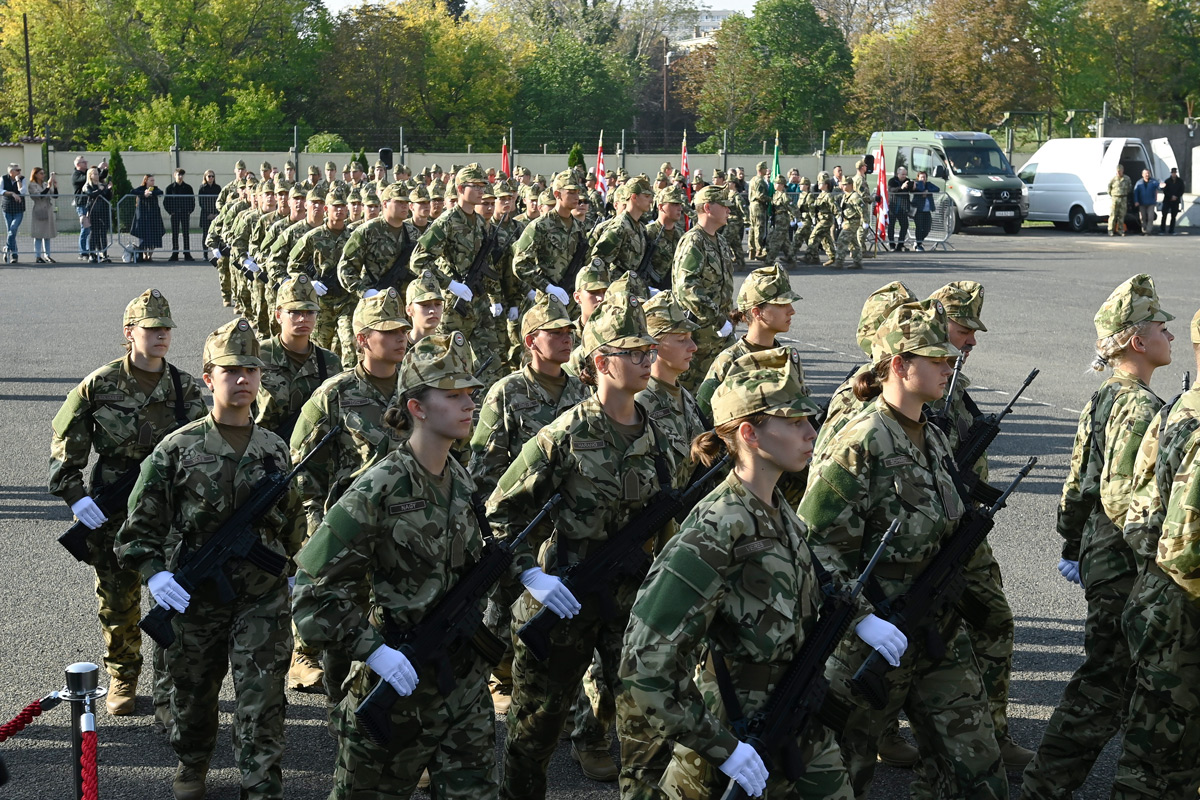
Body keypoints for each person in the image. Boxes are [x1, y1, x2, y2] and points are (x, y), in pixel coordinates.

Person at [619, 347, 853, 800]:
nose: (812, 431)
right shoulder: (716, 528)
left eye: (809, 419)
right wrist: (720, 748)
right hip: (735, 733)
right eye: (794, 421)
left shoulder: (780, 511)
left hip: (799, 715)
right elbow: (644, 659)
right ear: (749, 433)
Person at [799, 298, 1006, 799]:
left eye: (948, 357)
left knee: (977, 767)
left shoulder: (931, 436)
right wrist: (863, 619)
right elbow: (816, 546)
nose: (949, 366)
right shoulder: (861, 441)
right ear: (899, 364)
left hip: (938, 628)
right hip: (871, 639)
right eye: (936, 358)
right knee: (844, 775)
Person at [487, 290, 676, 800]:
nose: (647, 360)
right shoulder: (564, 434)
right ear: (602, 363)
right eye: (633, 353)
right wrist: (530, 575)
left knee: (647, 731)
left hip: (629, 604)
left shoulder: (656, 437)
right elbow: (500, 512)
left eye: (649, 350)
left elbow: (667, 521)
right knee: (534, 732)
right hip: (564, 597)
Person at [292, 332, 496, 799]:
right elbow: (311, 589)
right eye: (453, 395)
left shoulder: (459, 478)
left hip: (462, 684)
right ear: (417, 407)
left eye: (470, 393)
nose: (469, 404)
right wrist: (372, 649)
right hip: (398, 677)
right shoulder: (378, 487)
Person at [116, 317, 301, 800]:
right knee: (194, 693)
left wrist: (294, 572)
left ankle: (260, 782)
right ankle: (192, 763)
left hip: (261, 597)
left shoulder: (274, 449)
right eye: (230, 370)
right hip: (196, 595)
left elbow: (293, 522)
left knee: (263, 698)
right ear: (208, 378)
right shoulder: (177, 448)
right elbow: (138, 528)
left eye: (250, 370)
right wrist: (155, 575)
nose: (242, 380)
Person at [1020, 274, 1174, 800]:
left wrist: (1073, 543)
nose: (1169, 336)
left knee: (1109, 681)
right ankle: (1044, 787)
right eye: (1161, 327)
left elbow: (1076, 485)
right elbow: (1125, 500)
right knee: (1106, 686)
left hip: (1102, 554)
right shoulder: (1143, 408)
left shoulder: (1105, 396)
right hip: (1126, 563)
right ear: (1137, 341)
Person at [49, 288, 208, 729]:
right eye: (152, 328)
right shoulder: (99, 385)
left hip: (169, 510)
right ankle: (123, 675)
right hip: (113, 509)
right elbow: (65, 442)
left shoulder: (184, 388)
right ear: (130, 332)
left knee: (173, 597)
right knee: (118, 598)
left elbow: (201, 448)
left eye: (166, 329)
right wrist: (75, 495)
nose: (161, 336)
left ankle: (170, 688)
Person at [289, 288, 412, 703]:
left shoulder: (419, 390)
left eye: (403, 330)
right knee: (345, 629)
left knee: (404, 627)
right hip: (352, 532)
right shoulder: (335, 395)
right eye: (388, 331)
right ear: (362, 339)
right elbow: (303, 469)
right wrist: (316, 528)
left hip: (410, 528)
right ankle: (342, 715)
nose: (400, 337)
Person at [468, 292, 588, 715]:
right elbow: (485, 468)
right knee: (502, 611)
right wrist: (495, 529)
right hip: (519, 523)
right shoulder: (507, 392)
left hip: (565, 526)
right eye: (554, 332)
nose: (565, 338)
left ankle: (551, 695)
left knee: (559, 615)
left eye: (568, 331)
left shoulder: (581, 391)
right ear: (531, 341)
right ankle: (495, 678)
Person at [1109, 307, 1200, 799]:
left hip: (1158, 596)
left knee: (1160, 756)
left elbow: (1138, 518)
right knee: (1158, 763)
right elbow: (1184, 550)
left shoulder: (1174, 411)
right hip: (1183, 612)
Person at [695, 264, 802, 421]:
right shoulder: (730, 361)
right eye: (782, 304)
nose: (791, 310)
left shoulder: (787, 357)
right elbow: (702, 419)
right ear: (757, 312)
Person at [672, 184, 736, 392]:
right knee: (693, 391)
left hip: (721, 332)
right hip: (699, 335)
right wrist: (717, 319)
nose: (728, 209)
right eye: (723, 205)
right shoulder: (694, 241)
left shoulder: (721, 241)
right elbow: (687, 287)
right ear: (708, 208)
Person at [72, 155, 107, 260]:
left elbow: (99, 177)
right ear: (78, 164)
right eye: (83, 162)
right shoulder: (76, 175)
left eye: (86, 161)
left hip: (92, 205)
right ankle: (83, 252)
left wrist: (105, 170)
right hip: (82, 204)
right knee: (85, 228)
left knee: (93, 229)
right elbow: (85, 179)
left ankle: (92, 250)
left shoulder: (87, 173)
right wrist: (98, 169)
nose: (86, 163)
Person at [25, 166, 58, 263]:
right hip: (39, 209)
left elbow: (55, 196)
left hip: (48, 210)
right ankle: (38, 256)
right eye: (41, 173)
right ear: (35, 174)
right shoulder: (32, 185)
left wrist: (54, 186)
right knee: (38, 234)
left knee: (47, 234)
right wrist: (48, 187)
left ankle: (47, 255)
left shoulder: (44, 184)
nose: (43, 175)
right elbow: (39, 196)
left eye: (44, 173)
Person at [164, 168, 196, 262]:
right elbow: (166, 201)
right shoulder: (170, 188)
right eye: (179, 174)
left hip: (185, 213)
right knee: (175, 234)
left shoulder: (188, 188)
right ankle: (175, 253)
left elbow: (192, 200)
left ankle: (187, 253)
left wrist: (189, 211)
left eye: (182, 175)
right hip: (175, 214)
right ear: (175, 175)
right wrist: (171, 211)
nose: (180, 177)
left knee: (186, 234)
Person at [131, 175, 165, 262]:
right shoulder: (141, 188)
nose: (153, 182)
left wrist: (151, 193)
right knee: (144, 235)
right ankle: (144, 254)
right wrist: (143, 194)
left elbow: (160, 192)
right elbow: (132, 191)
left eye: (153, 180)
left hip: (154, 216)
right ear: (146, 180)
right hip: (143, 216)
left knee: (154, 235)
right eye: (151, 180)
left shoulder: (154, 188)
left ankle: (150, 255)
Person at [83, 167, 113, 263]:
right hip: (94, 211)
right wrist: (99, 190)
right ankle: (92, 254)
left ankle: (104, 254)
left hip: (103, 211)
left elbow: (108, 197)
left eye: (97, 174)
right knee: (94, 233)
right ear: (90, 176)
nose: (97, 176)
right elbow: (91, 194)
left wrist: (109, 189)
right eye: (95, 174)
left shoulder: (102, 185)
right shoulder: (88, 186)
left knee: (103, 233)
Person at [834, 177, 864, 269]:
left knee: (842, 240)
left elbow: (862, 209)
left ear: (850, 185)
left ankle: (839, 262)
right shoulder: (846, 195)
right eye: (842, 184)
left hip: (853, 222)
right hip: (847, 221)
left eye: (845, 184)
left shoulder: (855, 196)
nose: (843, 186)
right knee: (853, 242)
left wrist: (865, 221)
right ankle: (857, 262)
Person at [747, 161, 771, 261]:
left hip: (753, 205)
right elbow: (760, 195)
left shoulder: (753, 179)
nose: (767, 170)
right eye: (765, 168)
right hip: (758, 206)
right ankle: (759, 251)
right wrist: (771, 199)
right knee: (759, 228)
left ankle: (752, 250)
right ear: (761, 170)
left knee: (753, 228)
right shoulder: (760, 181)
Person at [2, 162, 26, 262]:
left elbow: (22, 191)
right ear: (11, 171)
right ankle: (14, 255)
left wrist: (18, 180)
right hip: (7, 208)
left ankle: (7, 248)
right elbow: (0, 190)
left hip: (18, 209)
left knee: (13, 229)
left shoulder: (22, 179)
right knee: (11, 231)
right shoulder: (3, 178)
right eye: (17, 170)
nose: (19, 172)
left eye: (20, 170)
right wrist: (12, 193)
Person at [911, 170, 940, 251]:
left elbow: (937, 189)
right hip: (918, 210)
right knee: (919, 227)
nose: (923, 179)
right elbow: (916, 189)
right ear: (918, 178)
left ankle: (918, 241)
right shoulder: (916, 184)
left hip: (927, 211)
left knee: (927, 228)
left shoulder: (928, 184)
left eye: (924, 177)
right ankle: (918, 245)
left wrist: (928, 191)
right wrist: (922, 192)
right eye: (921, 177)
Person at [887, 166, 914, 251]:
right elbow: (891, 189)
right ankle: (892, 244)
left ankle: (900, 244)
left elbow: (912, 190)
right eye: (902, 174)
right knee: (891, 226)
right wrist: (901, 188)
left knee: (905, 225)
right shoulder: (892, 181)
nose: (904, 176)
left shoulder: (907, 181)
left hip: (903, 208)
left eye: (905, 174)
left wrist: (913, 186)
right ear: (898, 174)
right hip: (893, 207)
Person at [1133, 168, 1160, 235]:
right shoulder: (1139, 183)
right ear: (1142, 174)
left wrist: (1161, 185)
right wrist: (1136, 201)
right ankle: (1144, 229)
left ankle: (1148, 230)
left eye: (1148, 173)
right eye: (1145, 173)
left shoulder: (1153, 181)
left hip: (1151, 203)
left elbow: (1158, 186)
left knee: (1150, 217)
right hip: (1142, 203)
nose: (1147, 175)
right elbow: (1135, 193)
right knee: (1142, 217)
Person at [198, 170, 220, 249]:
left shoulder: (217, 188)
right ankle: (205, 253)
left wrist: (216, 213)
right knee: (205, 234)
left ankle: (216, 252)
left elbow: (220, 201)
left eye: (212, 176)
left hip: (216, 214)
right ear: (205, 177)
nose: (211, 178)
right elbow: (201, 202)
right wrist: (208, 214)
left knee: (217, 234)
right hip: (206, 215)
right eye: (209, 176)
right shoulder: (202, 188)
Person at [1108, 164, 1132, 236]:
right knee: (1113, 215)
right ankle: (1110, 230)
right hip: (1115, 198)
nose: (1119, 172)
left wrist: (1125, 193)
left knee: (1122, 215)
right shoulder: (1113, 179)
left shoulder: (1127, 179)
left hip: (1123, 198)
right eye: (1118, 171)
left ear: (1122, 170)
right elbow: (1109, 188)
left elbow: (1129, 188)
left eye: (1120, 170)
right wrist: (1113, 194)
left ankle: (1120, 230)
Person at [1161, 167, 1183, 234]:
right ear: (1171, 173)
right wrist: (1171, 196)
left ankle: (1171, 230)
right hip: (1167, 200)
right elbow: (1165, 191)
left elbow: (1181, 190)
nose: (1174, 174)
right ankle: (1162, 230)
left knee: (1173, 216)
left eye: (1175, 173)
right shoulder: (1167, 181)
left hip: (1176, 201)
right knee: (1164, 215)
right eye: (1173, 173)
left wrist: (1176, 196)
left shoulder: (1180, 181)